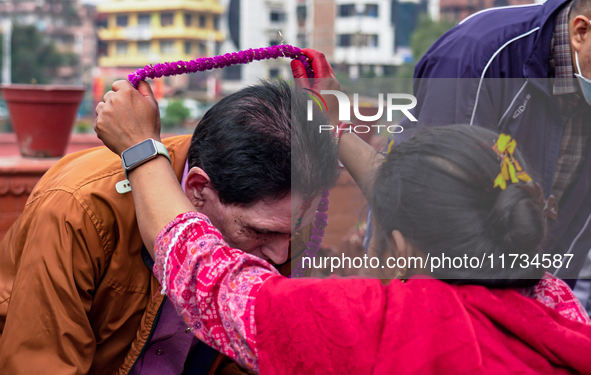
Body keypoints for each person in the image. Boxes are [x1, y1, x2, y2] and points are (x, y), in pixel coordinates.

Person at [94, 50, 591, 374]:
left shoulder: (377, 329)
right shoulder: (556, 309)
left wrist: (140, 149)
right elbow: (441, 207)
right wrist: (339, 130)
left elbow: (208, 276)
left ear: (399, 249)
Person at [0, 79, 339, 374]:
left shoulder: (285, 218)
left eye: (290, 234)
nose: (280, 254)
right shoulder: (80, 209)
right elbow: (41, 364)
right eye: (258, 232)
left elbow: (253, 359)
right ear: (197, 189)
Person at [393, 0, 591, 281]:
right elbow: (437, 198)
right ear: (580, 32)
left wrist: (550, 301)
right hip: (437, 281)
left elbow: (578, 223)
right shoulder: (479, 55)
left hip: (531, 290)